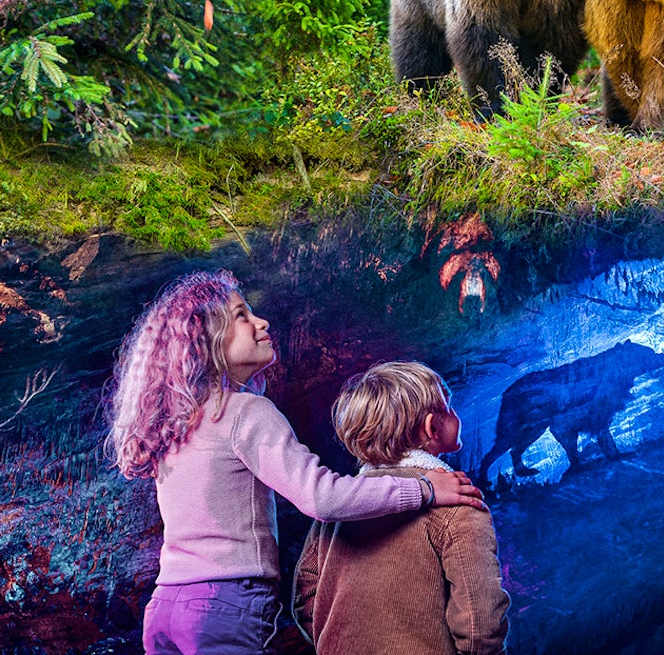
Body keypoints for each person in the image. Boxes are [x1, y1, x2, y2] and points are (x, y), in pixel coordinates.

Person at [106, 271, 486, 655]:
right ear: (206, 341)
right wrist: (424, 489)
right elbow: (323, 499)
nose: (261, 322)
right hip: (224, 604)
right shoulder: (245, 412)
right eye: (241, 315)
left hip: (165, 608)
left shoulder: (177, 422)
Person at [293, 361, 511, 655]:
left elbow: (305, 596)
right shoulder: (459, 501)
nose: (457, 414)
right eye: (450, 406)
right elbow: (479, 623)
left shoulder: (339, 509)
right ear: (432, 426)